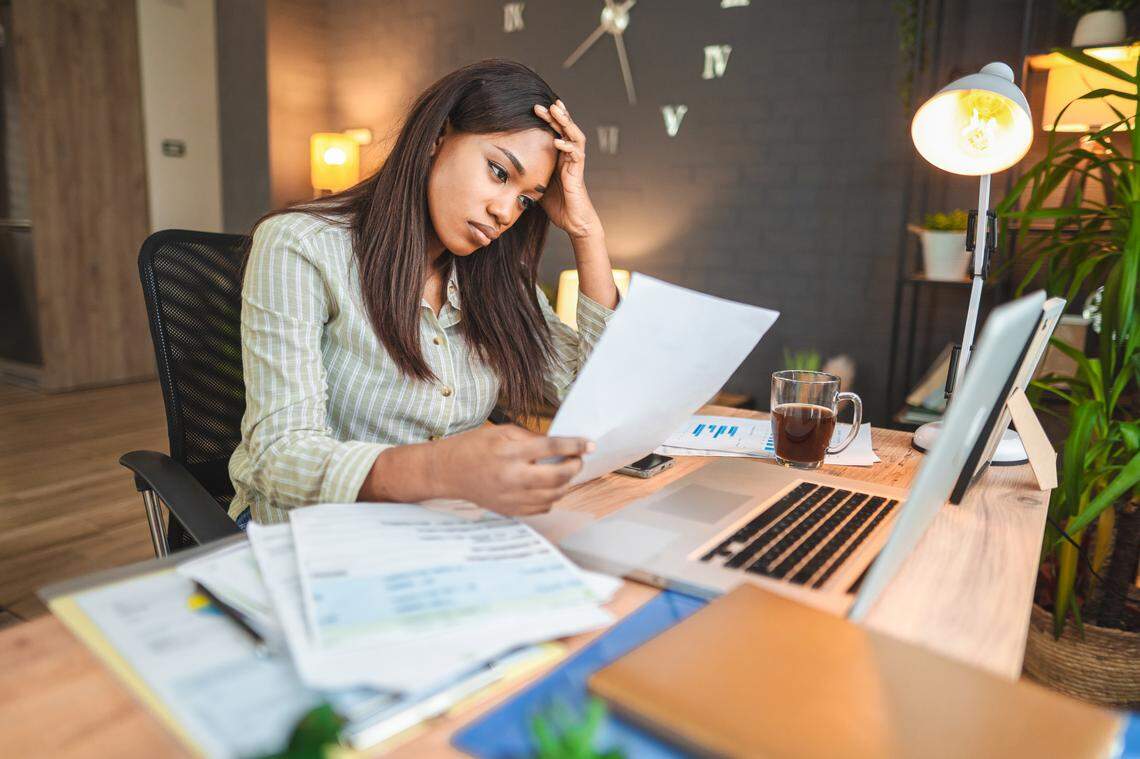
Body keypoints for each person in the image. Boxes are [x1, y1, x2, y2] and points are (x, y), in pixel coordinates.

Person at [228, 59, 620, 526]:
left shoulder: (499, 278)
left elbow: (594, 398)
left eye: (526, 199)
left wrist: (586, 230)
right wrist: (441, 470)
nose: (505, 212)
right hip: (316, 532)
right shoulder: (301, 245)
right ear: (438, 137)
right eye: (498, 172)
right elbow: (279, 456)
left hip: (447, 527)